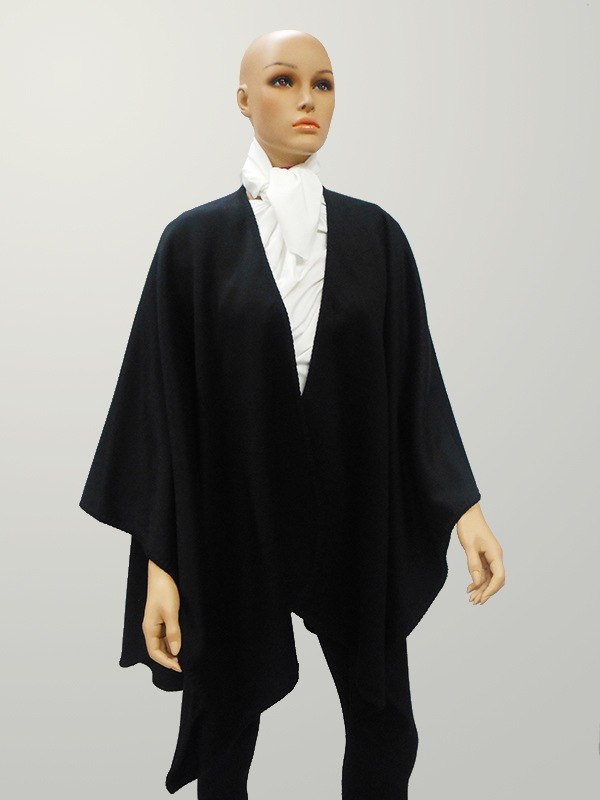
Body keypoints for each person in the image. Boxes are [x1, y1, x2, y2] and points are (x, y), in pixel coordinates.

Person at [80, 29, 505, 799]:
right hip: (234, 515)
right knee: (226, 732)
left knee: (386, 726)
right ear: (244, 100)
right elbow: (160, 417)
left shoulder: (377, 237)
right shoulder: (193, 245)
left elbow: (417, 383)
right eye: (283, 80)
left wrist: (463, 508)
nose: (307, 99)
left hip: (355, 511)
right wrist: (161, 567)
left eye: (323, 83)